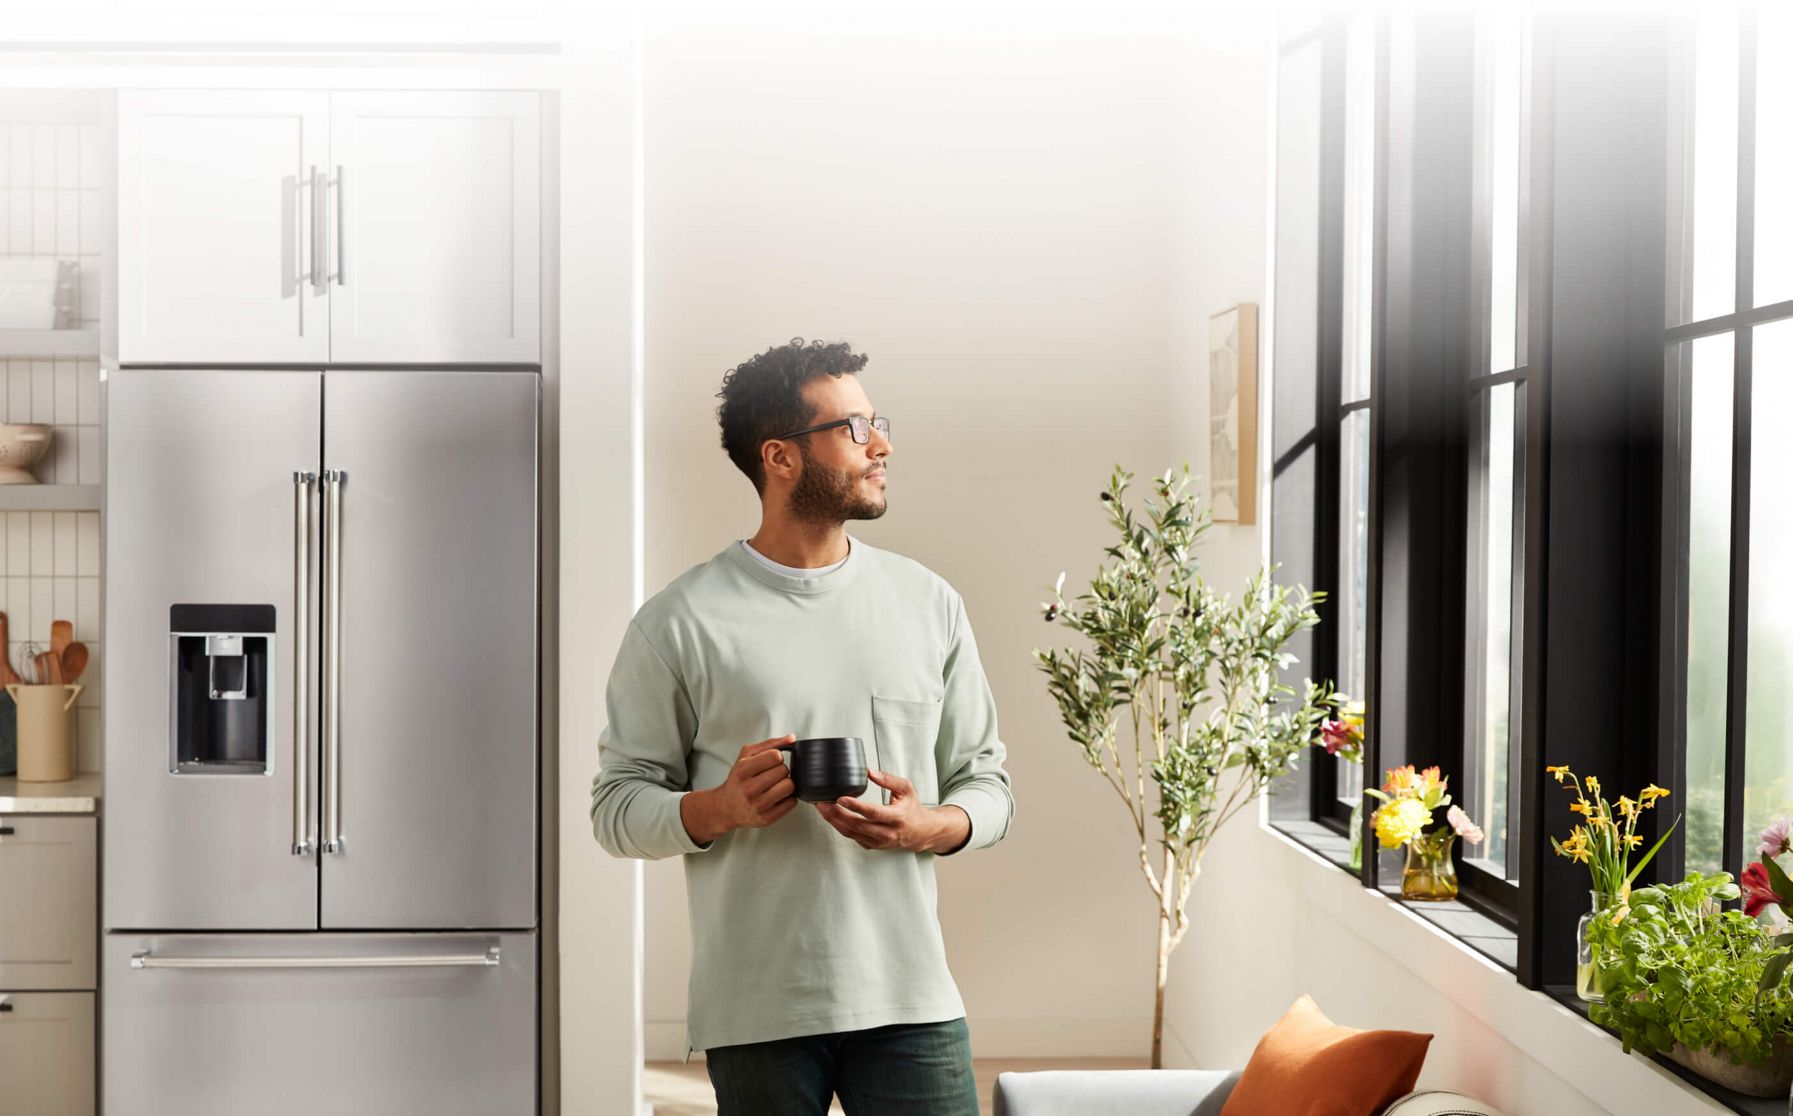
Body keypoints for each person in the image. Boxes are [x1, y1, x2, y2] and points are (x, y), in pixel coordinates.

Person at [591, 337, 1015, 1116]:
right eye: (854, 428)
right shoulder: (678, 622)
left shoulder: (928, 603)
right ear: (780, 456)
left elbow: (988, 785)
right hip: (756, 1009)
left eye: (876, 422)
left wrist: (930, 825)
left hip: (911, 998)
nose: (881, 444)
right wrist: (720, 807)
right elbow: (615, 810)